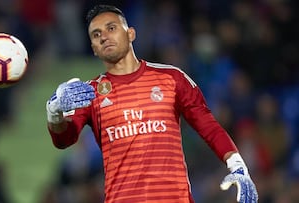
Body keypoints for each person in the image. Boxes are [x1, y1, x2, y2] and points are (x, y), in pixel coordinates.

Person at [46, 4, 258, 203]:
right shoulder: (90, 92)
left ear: (131, 34)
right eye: (96, 34)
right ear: (93, 48)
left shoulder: (172, 78)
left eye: (111, 28)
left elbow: (208, 126)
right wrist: (54, 112)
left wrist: (237, 166)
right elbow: (64, 139)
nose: (104, 37)